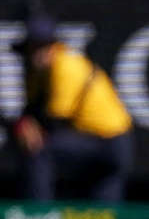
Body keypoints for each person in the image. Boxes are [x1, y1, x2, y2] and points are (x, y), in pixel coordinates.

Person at [11, 15, 134, 202]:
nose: (35, 54)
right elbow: (30, 111)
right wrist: (24, 125)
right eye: (31, 48)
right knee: (101, 218)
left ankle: (38, 217)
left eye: (41, 47)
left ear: (53, 46)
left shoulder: (65, 65)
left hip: (112, 143)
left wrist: (26, 127)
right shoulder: (37, 73)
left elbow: (55, 121)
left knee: (39, 150)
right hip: (93, 140)